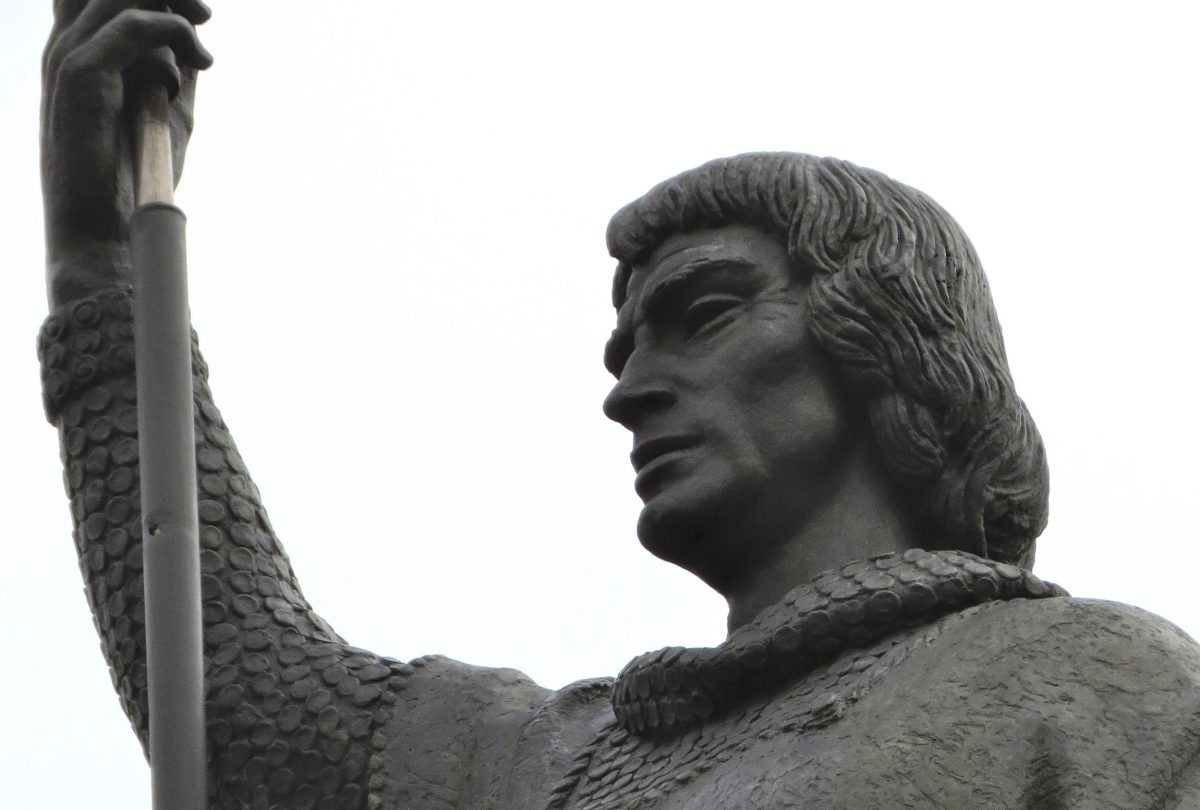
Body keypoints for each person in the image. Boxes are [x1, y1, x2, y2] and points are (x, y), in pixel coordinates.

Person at [38, 4, 1200, 809]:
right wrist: (98, 270)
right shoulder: (542, 767)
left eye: (704, 315)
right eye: (625, 347)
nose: (633, 390)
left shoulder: (1088, 687)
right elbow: (244, 711)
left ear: (886, 339)